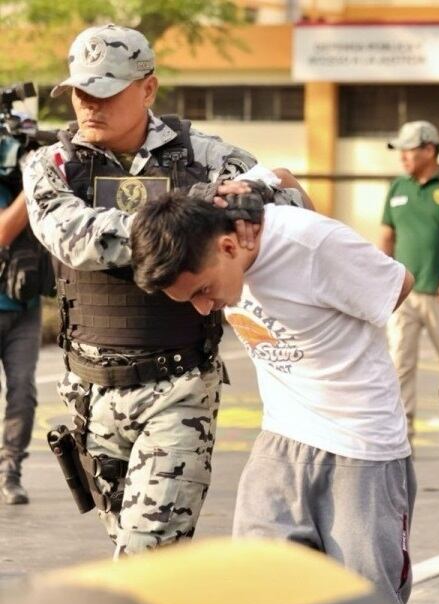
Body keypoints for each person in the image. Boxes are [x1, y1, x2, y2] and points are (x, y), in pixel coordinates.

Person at [20, 24, 302, 556]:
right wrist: (194, 217)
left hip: (178, 386)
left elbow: (284, 205)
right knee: (141, 554)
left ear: (147, 88)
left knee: (145, 554)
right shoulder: (50, 164)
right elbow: (77, 238)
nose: (89, 105)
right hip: (90, 393)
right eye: (80, 92)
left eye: (105, 91)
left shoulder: (204, 155)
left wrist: (249, 202)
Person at [130, 189, 416, 604]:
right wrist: (260, 182)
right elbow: (271, 177)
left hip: (361, 448)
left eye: (203, 290)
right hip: (281, 439)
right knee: (260, 597)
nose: (204, 308)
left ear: (229, 247)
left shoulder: (310, 243)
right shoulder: (218, 222)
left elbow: (397, 285)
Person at [380, 120, 439, 444]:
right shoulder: (398, 187)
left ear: (429, 149)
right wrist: (382, 280)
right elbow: (387, 236)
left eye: (408, 150)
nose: (402, 157)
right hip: (403, 295)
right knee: (399, 365)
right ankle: (402, 435)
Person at [0, 185, 45, 504]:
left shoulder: (29, 180)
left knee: (22, 392)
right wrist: (32, 186)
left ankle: (10, 472)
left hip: (25, 308)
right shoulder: (31, 185)